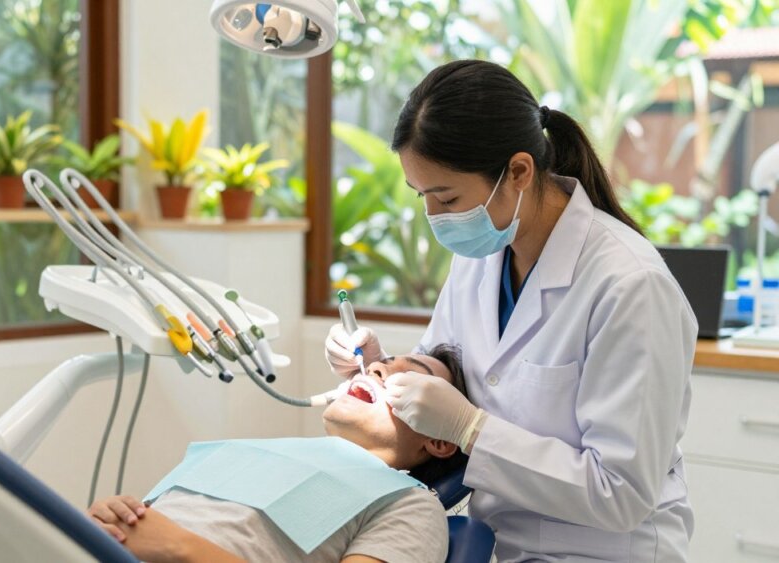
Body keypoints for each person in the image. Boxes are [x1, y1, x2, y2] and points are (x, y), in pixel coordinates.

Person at [325, 59, 696, 561]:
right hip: (496, 541)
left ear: (518, 171)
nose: (436, 218)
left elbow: (621, 493)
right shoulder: (479, 260)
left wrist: (471, 430)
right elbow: (453, 372)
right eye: (422, 198)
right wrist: (383, 364)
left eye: (447, 197)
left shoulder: (630, 286)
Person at [88, 346, 471, 563]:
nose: (375, 368)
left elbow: (167, 540)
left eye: (411, 379)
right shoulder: (251, 451)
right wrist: (114, 516)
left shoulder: (410, 505)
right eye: (382, 363)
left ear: (439, 439)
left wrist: (179, 547)